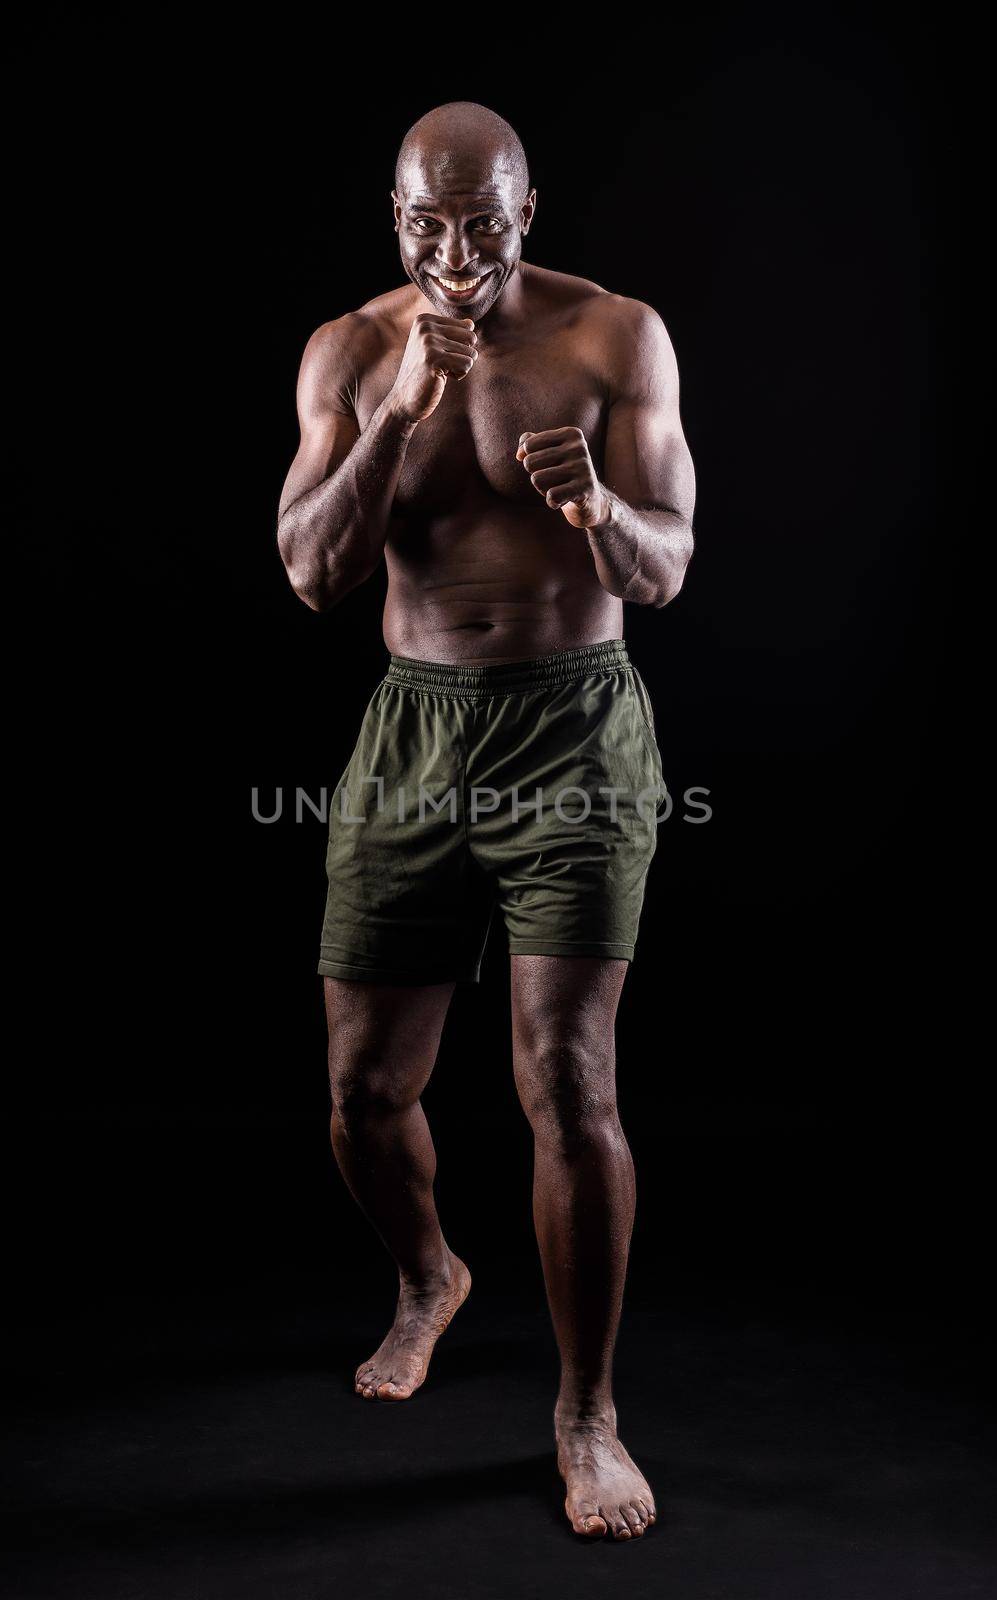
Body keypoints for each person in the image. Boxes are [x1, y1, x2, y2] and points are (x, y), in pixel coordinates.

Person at [277, 100, 695, 1541]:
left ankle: (587, 1418)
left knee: (569, 1082)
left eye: (481, 222)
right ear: (395, 214)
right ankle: (430, 1277)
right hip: (414, 722)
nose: (453, 254)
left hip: (575, 720)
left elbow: (671, 568)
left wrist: (597, 517)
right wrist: (397, 410)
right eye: (422, 224)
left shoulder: (614, 339)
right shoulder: (347, 348)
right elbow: (313, 574)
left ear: (528, 207)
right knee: (358, 1098)